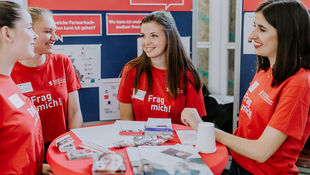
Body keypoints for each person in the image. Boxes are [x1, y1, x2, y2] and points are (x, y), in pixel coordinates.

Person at [181, 0, 310, 174]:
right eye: (254, 26)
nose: (251, 36)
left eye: (262, 30)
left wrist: (203, 128)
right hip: (240, 165)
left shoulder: (299, 83)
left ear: (288, 34)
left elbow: (261, 151)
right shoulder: (266, 69)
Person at [10, 7, 83, 164]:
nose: (56, 37)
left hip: (62, 146)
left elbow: (74, 111)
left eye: (55, 31)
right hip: (27, 151)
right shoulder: (9, 70)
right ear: (30, 32)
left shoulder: (62, 62)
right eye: (48, 31)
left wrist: (74, 146)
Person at [117, 11, 206, 124]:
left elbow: (196, 126)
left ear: (169, 38)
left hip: (177, 141)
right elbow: (126, 122)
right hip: (141, 140)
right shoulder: (131, 70)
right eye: (143, 36)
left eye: (154, 35)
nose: (146, 42)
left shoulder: (188, 75)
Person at [0, 1, 45, 174]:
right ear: (7, 33)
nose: (34, 36)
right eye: (28, 27)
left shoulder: (8, 82)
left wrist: (37, 167)